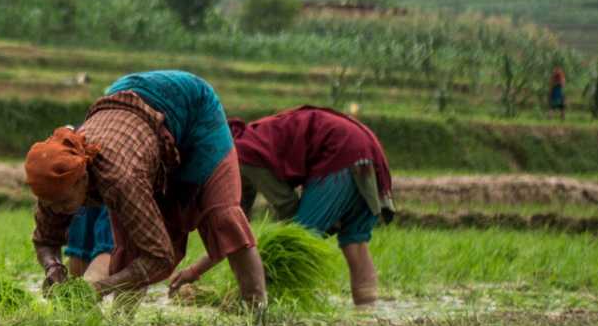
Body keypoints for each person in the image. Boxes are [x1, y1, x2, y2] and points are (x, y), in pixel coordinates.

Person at [26, 69, 265, 306]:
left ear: (83, 179)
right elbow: (45, 239)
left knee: (222, 215)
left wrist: (100, 288)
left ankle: (256, 307)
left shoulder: (120, 180)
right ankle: (121, 322)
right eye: (50, 204)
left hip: (190, 105)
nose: (58, 209)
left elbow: (159, 257)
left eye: (63, 202)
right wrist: (53, 268)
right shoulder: (53, 178)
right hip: (129, 105)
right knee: (129, 242)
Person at [230, 107, 394, 307]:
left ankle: (277, 304)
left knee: (295, 240)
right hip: (365, 149)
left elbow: (286, 205)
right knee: (355, 242)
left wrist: (268, 263)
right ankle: (367, 311)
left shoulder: (243, 153)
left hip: (339, 152)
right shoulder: (250, 143)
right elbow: (236, 221)